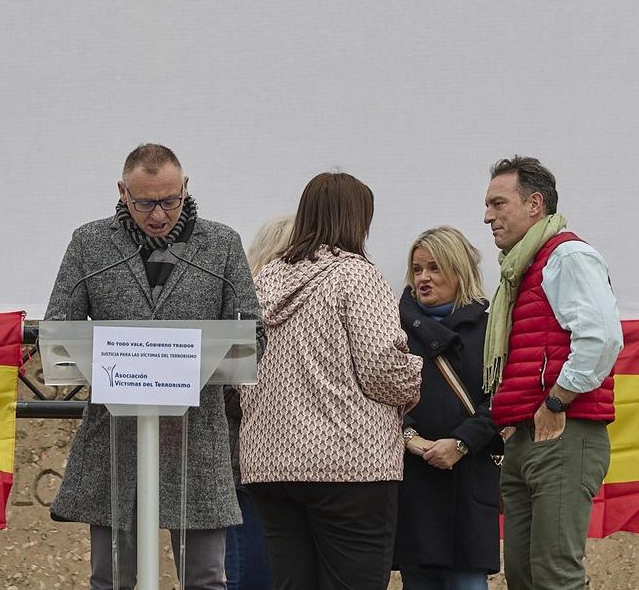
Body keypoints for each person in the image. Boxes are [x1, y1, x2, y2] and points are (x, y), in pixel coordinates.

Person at [45, 143, 263, 590]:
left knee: (204, 580)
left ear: (185, 188)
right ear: (123, 192)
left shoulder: (221, 245)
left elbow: (252, 334)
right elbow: (59, 329)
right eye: (145, 202)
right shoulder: (90, 243)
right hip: (116, 439)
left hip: (195, 437)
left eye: (170, 200)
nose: (159, 215)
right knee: (112, 579)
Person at [239, 173, 421, 590]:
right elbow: (381, 365)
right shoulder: (357, 275)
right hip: (349, 464)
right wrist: (413, 380)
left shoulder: (262, 281)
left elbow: (239, 371)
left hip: (270, 465)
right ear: (357, 219)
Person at [480, 157, 621, 590]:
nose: (488, 216)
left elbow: (601, 338)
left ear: (534, 204)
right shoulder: (521, 268)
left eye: (498, 203)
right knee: (523, 576)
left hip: (563, 431)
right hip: (526, 435)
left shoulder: (568, 255)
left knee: (554, 575)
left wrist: (557, 399)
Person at [394, 227, 500, 590]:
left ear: (459, 271)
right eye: (418, 268)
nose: (424, 278)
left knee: (468, 582)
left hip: (468, 481)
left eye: (435, 268)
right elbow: (380, 395)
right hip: (414, 483)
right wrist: (410, 437)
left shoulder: (491, 331)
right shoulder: (394, 331)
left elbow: (501, 400)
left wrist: (461, 443)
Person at [224, 216, 292, 590]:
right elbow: (226, 392)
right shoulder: (243, 317)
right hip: (246, 475)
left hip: (289, 476)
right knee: (249, 576)